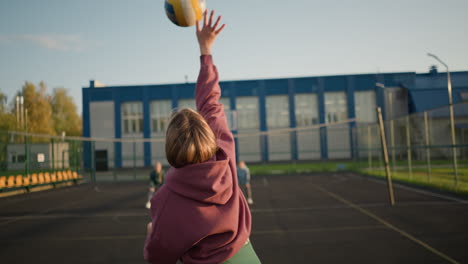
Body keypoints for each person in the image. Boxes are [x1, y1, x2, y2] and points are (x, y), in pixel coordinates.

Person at [144, 10, 261, 264]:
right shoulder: (225, 157)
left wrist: (151, 237)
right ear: (209, 137)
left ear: (171, 148)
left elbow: (158, 256)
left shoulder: (165, 200)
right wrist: (205, 49)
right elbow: (210, 103)